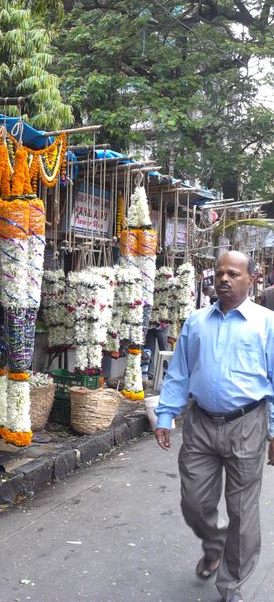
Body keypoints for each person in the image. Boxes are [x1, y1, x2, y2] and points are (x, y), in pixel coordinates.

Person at [154, 251, 274, 602]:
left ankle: (231, 585)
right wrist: (166, 414)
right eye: (219, 273)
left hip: (247, 425)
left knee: (241, 512)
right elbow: (179, 372)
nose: (223, 279)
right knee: (193, 501)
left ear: (251, 278)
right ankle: (214, 542)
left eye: (233, 274)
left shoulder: (266, 323)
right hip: (201, 423)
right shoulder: (195, 322)